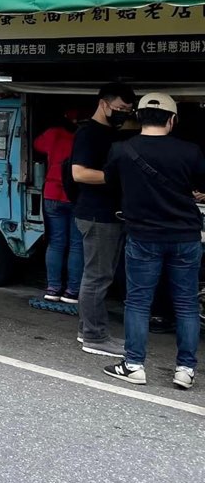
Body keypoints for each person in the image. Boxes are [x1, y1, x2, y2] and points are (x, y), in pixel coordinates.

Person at [102, 93, 205, 389]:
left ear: (138, 118)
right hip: (185, 236)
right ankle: (185, 370)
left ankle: (133, 365)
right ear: (172, 120)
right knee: (186, 304)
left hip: (143, 236)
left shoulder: (121, 149)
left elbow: (111, 183)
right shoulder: (191, 151)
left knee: (138, 302)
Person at [72, 82, 137, 358]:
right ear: (104, 104)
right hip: (97, 215)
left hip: (107, 214)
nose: (124, 113)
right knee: (98, 277)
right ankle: (95, 337)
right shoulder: (89, 133)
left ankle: (86, 329)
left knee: (98, 275)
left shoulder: (111, 133)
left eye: (129, 110)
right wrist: (117, 178)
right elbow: (79, 173)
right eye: (120, 108)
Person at [34, 109, 83, 304]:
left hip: (52, 193)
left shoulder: (53, 133)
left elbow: (37, 145)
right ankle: (72, 291)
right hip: (77, 196)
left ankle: (53, 288)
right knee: (77, 245)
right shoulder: (85, 138)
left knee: (56, 242)